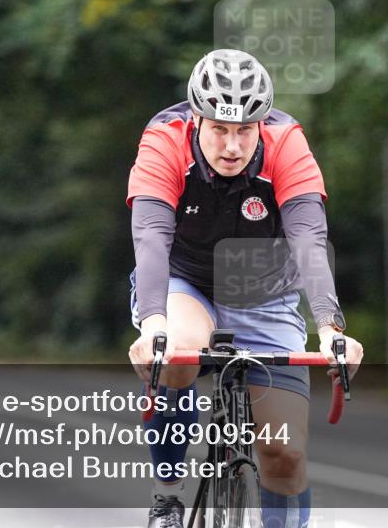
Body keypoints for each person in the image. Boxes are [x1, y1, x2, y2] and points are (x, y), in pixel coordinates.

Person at [126, 48, 364, 528]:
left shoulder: (286, 143)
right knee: (181, 352)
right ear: (196, 121)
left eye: (244, 131)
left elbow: (309, 241)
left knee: (285, 455)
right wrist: (154, 325)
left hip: (266, 291)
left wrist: (332, 328)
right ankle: (167, 497)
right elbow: (150, 237)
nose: (232, 146)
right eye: (219, 129)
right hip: (185, 280)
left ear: (261, 124)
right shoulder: (164, 140)